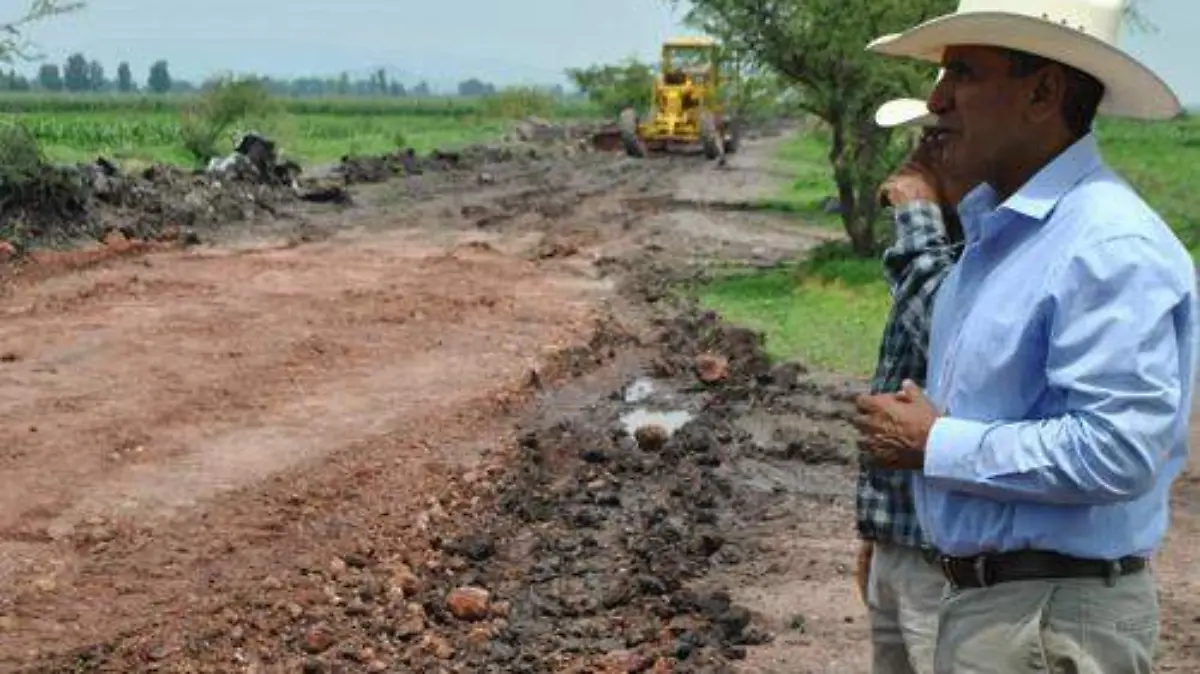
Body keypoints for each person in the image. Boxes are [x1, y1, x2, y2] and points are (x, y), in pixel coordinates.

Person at [852, 1, 1197, 672]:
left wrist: (933, 442)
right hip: (1006, 612)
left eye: (963, 72)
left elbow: (1118, 450)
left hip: (1047, 622)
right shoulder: (1002, 239)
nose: (938, 98)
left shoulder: (1104, 242)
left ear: (1044, 92)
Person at [856, 96, 967, 674]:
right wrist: (879, 533)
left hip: (945, 560)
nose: (918, 160)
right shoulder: (941, 245)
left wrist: (918, 215)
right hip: (906, 542)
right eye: (919, 143)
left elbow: (949, 342)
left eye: (935, 141)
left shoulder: (982, 247)